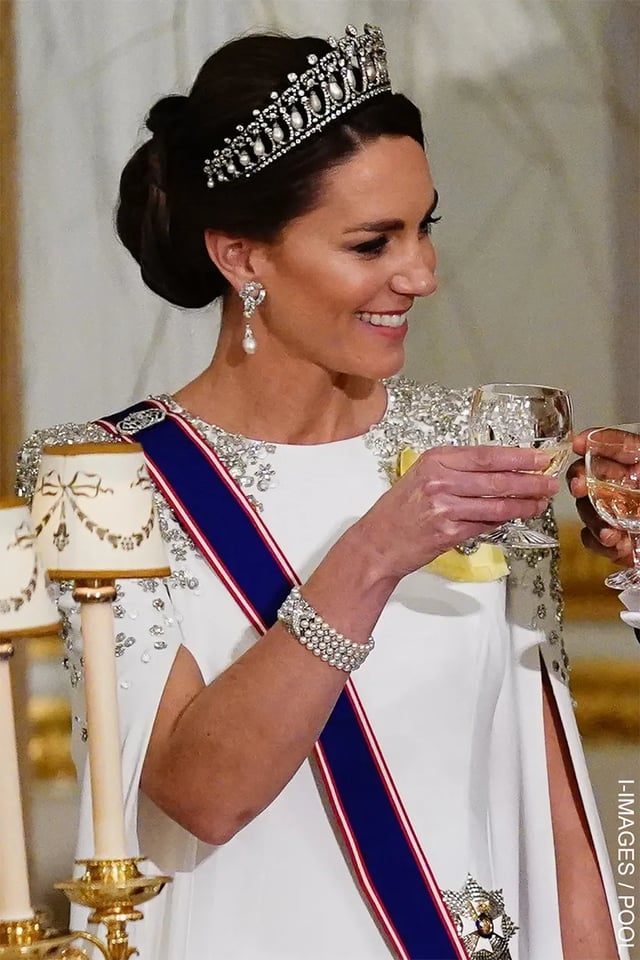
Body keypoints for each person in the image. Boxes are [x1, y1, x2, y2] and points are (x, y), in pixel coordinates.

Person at [17, 25, 623, 960]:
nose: (420, 273)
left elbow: (556, 809)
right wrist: (373, 554)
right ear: (243, 258)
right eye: (372, 241)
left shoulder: (468, 444)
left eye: (426, 226)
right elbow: (199, 794)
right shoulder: (104, 478)